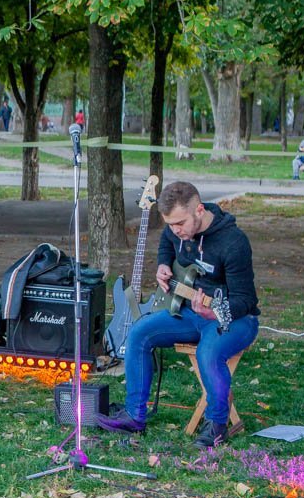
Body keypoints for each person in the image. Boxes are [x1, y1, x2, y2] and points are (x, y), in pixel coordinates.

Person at [96, 181, 260, 447]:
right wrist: (163, 264)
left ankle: (217, 425)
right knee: (139, 332)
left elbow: (246, 300)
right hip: (190, 313)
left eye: (180, 223)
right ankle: (134, 416)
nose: (176, 230)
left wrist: (216, 311)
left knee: (210, 351)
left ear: (199, 209)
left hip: (236, 319)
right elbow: (166, 242)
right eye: (170, 224)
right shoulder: (177, 231)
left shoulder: (234, 242)